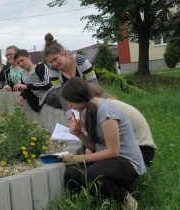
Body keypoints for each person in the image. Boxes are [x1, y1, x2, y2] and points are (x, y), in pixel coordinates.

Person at [59, 77, 146, 210]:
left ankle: (126, 200)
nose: (69, 106)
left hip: (127, 163)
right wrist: (79, 134)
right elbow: (96, 147)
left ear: (78, 97)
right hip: (111, 160)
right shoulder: (87, 111)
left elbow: (113, 151)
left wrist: (80, 158)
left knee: (92, 175)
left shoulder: (107, 112)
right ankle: (81, 204)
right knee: (72, 173)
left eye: (70, 101)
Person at [88, 83, 157, 167]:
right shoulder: (108, 104)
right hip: (143, 149)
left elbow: (108, 147)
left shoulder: (107, 110)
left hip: (142, 152)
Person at [43, 33, 98, 119]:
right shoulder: (52, 69)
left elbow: (94, 86)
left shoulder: (80, 61)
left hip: (88, 97)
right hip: (72, 102)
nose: (54, 63)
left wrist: (92, 110)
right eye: (50, 62)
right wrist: (71, 118)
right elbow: (60, 94)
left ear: (62, 52)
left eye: (55, 59)